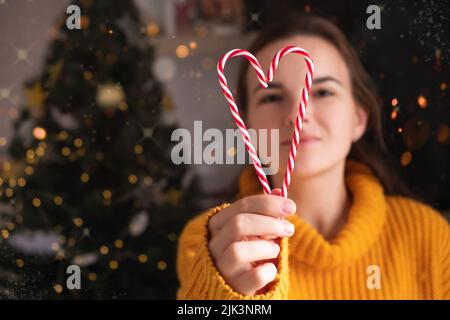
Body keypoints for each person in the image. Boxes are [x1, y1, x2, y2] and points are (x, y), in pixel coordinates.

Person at [177, 15, 450, 299]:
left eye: (322, 92)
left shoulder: (428, 235)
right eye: (270, 97)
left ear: (358, 118)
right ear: (247, 127)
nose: (298, 114)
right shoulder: (208, 245)